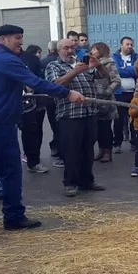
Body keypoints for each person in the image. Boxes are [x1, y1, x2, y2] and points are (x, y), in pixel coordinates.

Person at [0, 24, 84, 230]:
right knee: (10, 171)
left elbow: (8, 83)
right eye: (17, 38)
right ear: (3, 39)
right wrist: (68, 94)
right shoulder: (5, 58)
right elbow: (36, 82)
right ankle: (14, 216)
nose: (21, 42)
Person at [45, 38, 105, 198]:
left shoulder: (83, 63)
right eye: (66, 48)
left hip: (90, 113)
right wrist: (74, 72)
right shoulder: (54, 66)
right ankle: (70, 183)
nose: (70, 51)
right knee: (71, 151)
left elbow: (105, 79)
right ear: (58, 51)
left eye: (73, 47)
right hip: (69, 115)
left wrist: (98, 65)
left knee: (88, 150)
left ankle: (87, 181)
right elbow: (55, 85)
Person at [18, 45, 49, 174]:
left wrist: (33, 86)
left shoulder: (31, 58)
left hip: (31, 102)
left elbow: (41, 77)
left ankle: (33, 161)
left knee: (33, 132)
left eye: (20, 38)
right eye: (16, 38)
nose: (19, 41)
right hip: (8, 103)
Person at [90, 42, 120, 163]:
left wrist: (107, 92)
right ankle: (101, 150)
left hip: (106, 101)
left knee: (106, 128)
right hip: (94, 100)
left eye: (95, 49)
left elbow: (116, 81)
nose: (92, 51)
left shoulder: (109, 64)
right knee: (97, 128)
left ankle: (108, 151)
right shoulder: (91, 64)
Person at [112, 37, 138, 153]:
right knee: (118, 119)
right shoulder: (115, 57)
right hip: (119, 93)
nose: (129, 47)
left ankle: (134, 143)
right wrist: (129, 70)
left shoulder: (136, 57)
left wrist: (126, 70)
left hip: (133, 93)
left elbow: (137, 71)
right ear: (121, 45)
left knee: (134, 118)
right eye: (127, 44)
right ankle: (117, 143)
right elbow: (117, 70)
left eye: (131, 45)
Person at [40, 41, 61, 157]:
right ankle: (58, 146)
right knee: (61, 124)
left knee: (54, 122)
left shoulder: (42, 61)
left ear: (48, 50)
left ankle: (56, 146)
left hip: (49, 97)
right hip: (62, 97)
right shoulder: (57, 63)